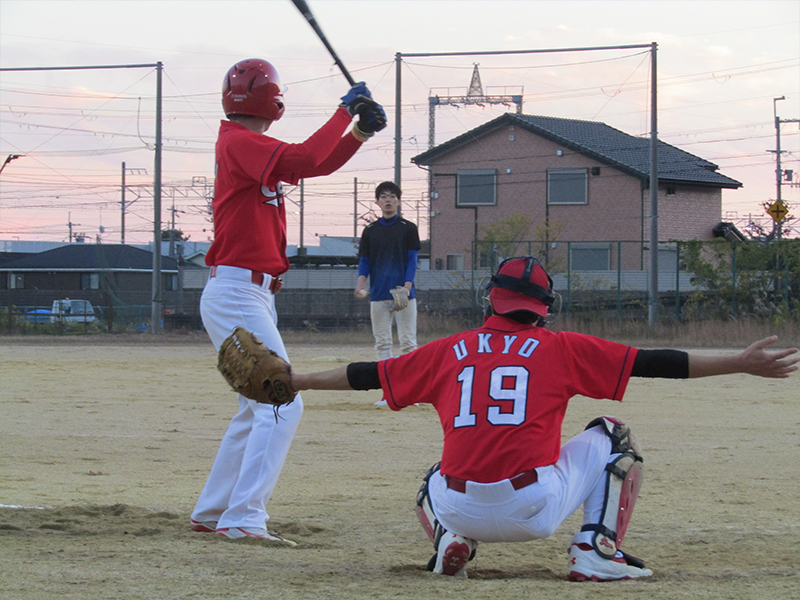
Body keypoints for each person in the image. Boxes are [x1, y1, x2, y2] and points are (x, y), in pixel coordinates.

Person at [288, 256, 798, 578]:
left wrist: (298, 379)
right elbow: (656, 362)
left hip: (458, 504)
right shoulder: (560, 348)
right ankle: (596, 549)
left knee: (435, 475)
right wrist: (738, 362)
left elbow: (366, 374)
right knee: (614, 434)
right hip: (533, 507)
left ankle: (449, 540)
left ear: (491, 298)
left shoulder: (449, 350)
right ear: (544, 308)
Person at [191, 58, 386, 541]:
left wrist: (359, 133)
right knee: (281, 400)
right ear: (273, 102)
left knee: (255, 407)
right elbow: (303, 157)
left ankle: (215, 510)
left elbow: (314, 163)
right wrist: (344, 112)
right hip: (238, 290)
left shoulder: (241, 143)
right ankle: (242, 517)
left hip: (246, 291)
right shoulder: (239, 141)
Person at [355, 181, 421, 405]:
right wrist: (361, 283)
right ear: (377, 202)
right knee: (382, 343)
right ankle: (388, 393)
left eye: (392, 196)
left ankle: (411, 392)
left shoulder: (408, 228)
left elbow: (412, 260)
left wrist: (407, 287)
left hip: (403, 294)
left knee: (408, 343)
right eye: (383, 196)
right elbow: (364, 261)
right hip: (378, 293)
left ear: (399, 201)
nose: (388, 200)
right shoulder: (370, 231)